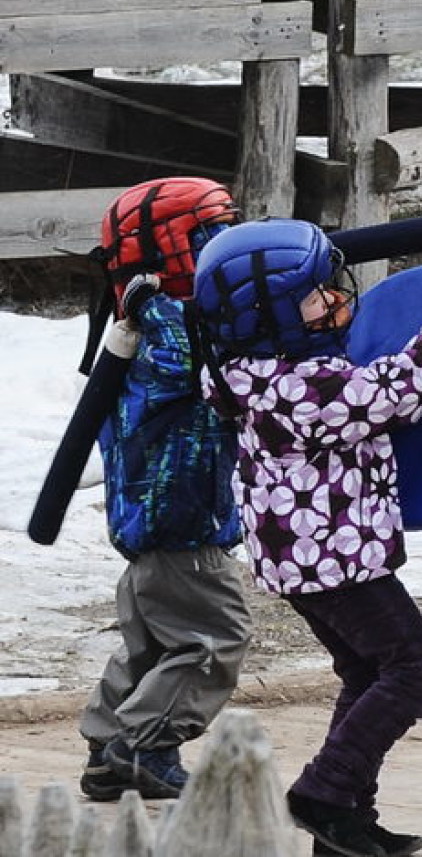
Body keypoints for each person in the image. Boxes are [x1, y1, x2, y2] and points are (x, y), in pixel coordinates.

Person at [191, 218, 422, 857]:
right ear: (265, 317)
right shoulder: (300, 386)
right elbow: (394, 392)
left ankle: (346, 824)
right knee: (413, 670)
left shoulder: (253, 374)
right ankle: (323, 792)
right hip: (332, 559)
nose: (334, 302)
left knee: (364, 672)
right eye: (315, 295)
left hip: (309, 558)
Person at [79, 177, 252, 802]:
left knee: (154, 640)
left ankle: (107, 750)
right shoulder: (164, 321)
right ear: (172, 247)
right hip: (181, 512)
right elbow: (198, 373)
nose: (223, 244)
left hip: (152, 516)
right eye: (211, 232)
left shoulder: (137, 312)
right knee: (214, 635)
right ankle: (145, 745)